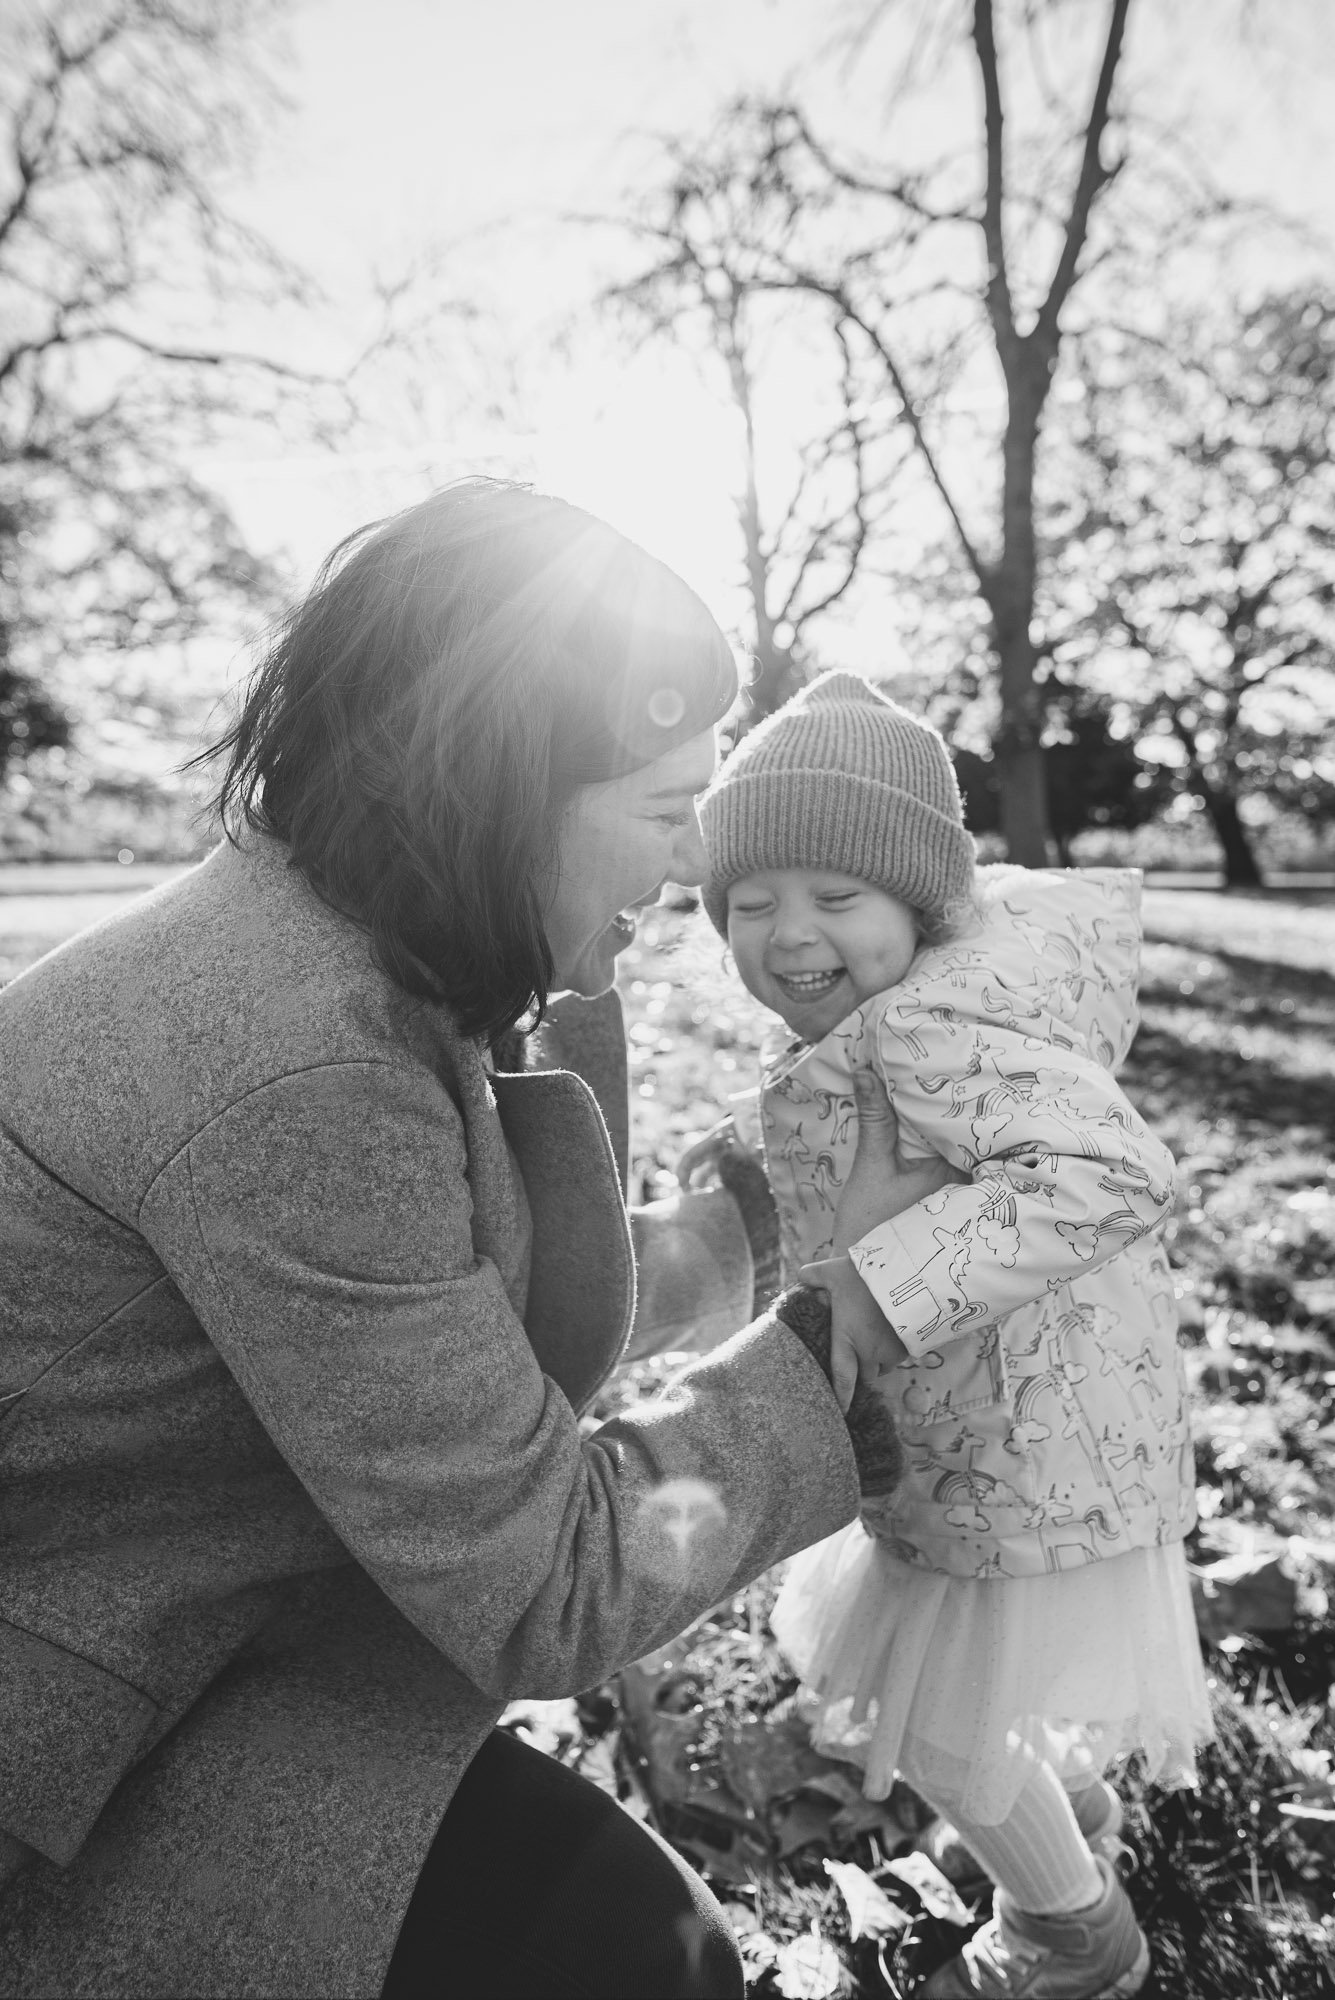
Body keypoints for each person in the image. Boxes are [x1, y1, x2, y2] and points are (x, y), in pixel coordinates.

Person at [0, 487, 920, 2000]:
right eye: (652, 811)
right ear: (493, 795)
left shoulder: (339, 951)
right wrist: (841, 1328)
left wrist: (739, 1227)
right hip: (70, 1742)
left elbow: (433, 1322)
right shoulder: (296, 1062)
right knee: (639, 1962)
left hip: (196, 1629)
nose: (692, 868)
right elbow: (544, 1582)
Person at [692, 670, 1214, 2000]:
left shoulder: (928, 1023)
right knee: (966, 1693)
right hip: (992, 1432)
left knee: (930, 1716)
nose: (787, 935)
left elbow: (1109, 1172)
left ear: (920, 905)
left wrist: (883, 1283)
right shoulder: (888, 1016)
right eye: (751, 904)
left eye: (835, 897)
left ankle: (1072, 1931)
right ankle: (1070, 1825)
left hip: (1015, 1453)